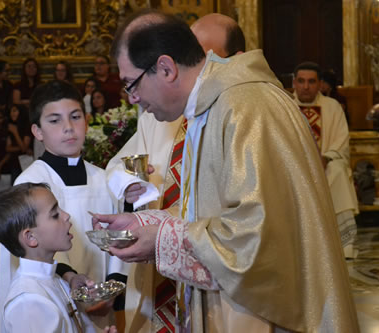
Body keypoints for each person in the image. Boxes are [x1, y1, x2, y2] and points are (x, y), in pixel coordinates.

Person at [94, 9, 359, 332]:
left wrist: (162, 239)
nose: (134, 100)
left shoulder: (244, 108)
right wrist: (148, 222)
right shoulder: (213, 106)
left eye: (131, 85)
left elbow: (257, 240)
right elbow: (211, 208)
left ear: (165, 68)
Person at [105, 13, 247, 332]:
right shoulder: (159, 115)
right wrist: (131, 188)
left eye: (206, 57)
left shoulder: (239, 114)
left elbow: (249, 232)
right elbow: (117, 165)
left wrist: (163, 237)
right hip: (158, 277)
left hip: (220, 291)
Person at [0, 80, 129, 332]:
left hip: (103, 305)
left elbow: (119, 239)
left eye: (75, 117)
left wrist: (112, 290)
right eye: (55, 120)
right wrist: (69, 277)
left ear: (87, 120)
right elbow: (29, 253)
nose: (68, 128)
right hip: (51, 300)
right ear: (37, 131)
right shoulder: (30, 184)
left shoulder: (103, 178)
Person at [0, 182, 118, 333]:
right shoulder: (29, 302)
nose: (66, 215)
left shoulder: (54, 279)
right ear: (31, 237)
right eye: (55, 215)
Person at [293, 61, 359, 258]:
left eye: (311, 81)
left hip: (325, 166)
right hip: (294, 167)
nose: (306, 86)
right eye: (301, 81)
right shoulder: (284, 107)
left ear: (320, 83)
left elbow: (341, 139)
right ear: (294, 83)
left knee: (338, 171)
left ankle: (343, 243)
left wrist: (326, 158)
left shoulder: (333, 107)